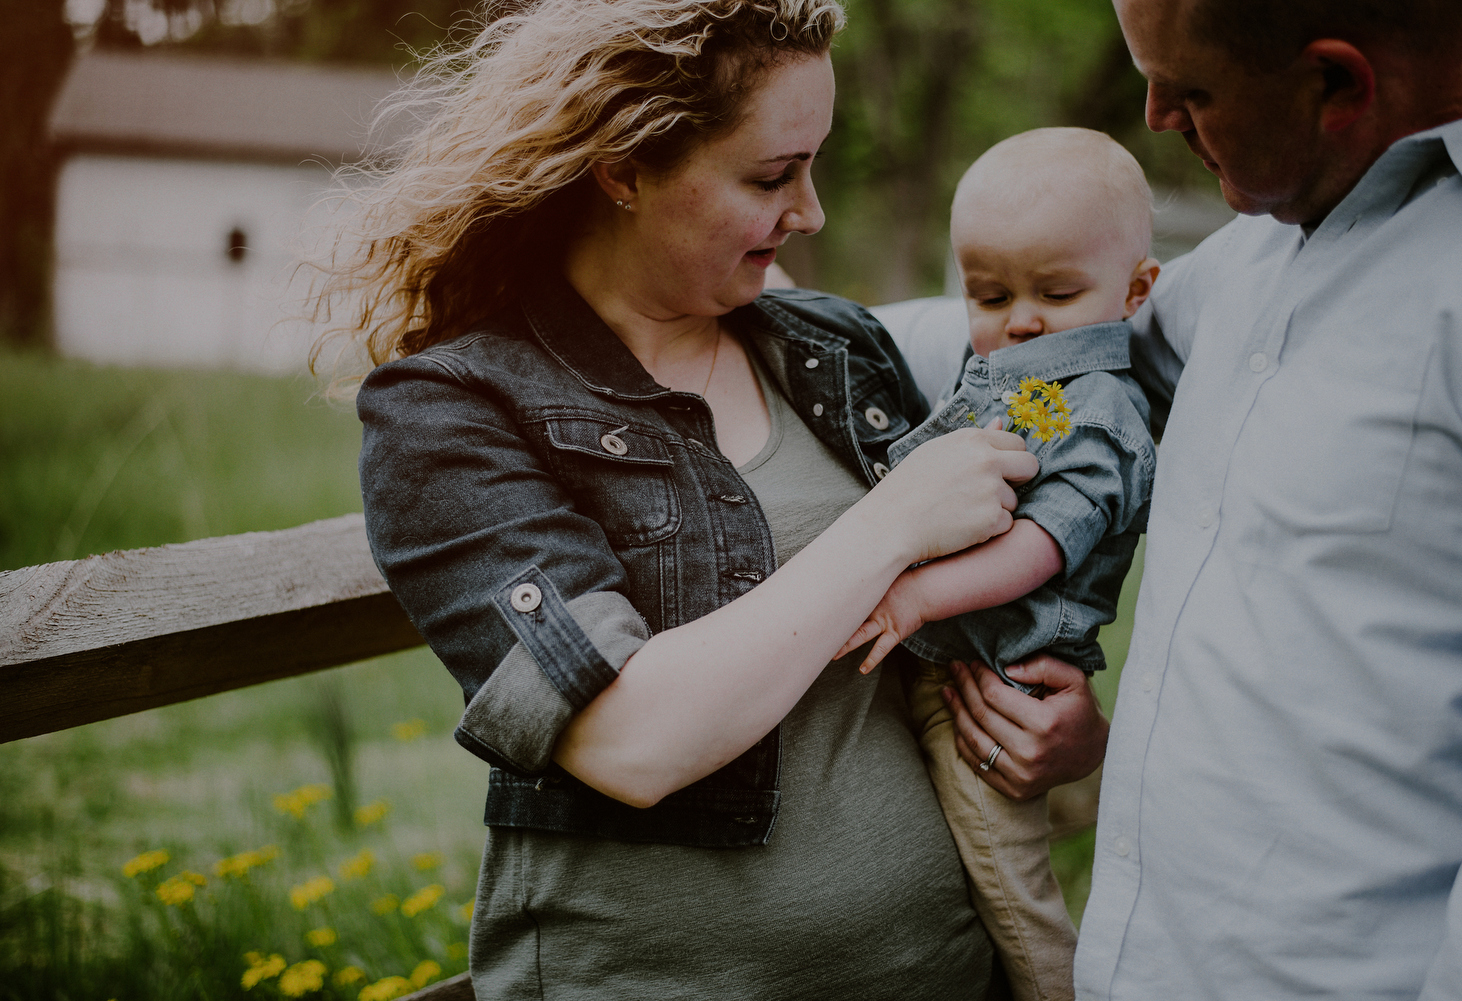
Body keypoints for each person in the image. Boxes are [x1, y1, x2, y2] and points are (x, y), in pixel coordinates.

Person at [315, 1, 1086, 998]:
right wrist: (892, 523)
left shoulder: (832, 345)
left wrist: (1061, 733)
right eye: (772, 175)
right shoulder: (451, 411)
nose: (809, 212)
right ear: (624, 168)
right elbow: (630, 740)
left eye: (814, 166)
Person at [926, 1, 1462, 998]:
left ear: (1336, 86)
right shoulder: (1245, 259)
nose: (1153, 117)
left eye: (1190, 90)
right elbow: (1037, 350)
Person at [839, 127, 1158, 1001]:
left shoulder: (1090, 411)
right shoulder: (1020, 379)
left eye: (1056, 292)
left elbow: (1038, 545)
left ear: (1136, 290)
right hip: (954, 658)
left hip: (997, 683)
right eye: (989, 293)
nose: (1020, 318)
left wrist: (913, 596)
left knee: (1011, 887)